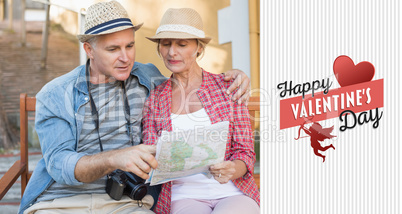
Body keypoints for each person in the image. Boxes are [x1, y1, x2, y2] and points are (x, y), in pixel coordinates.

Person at [18, 1, 251, 214]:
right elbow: (60, 165)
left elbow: (189, 79)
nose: (125, 58)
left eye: (130, 46)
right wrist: (115, 158)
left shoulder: (147, 78)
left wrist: (236, 78)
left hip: (128, 202)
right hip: (61, 202)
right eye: (113, 49)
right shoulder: (56, 94)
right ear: (89, 49)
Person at [142, 8, 260, 214]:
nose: (172, 52)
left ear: (199, 47)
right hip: (182, 196)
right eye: (166, 44)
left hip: (231, 192)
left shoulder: (228, 87)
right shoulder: (154, 100)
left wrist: (234, 169)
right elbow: (151, 156)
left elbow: (245, 151)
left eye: (182, 44)